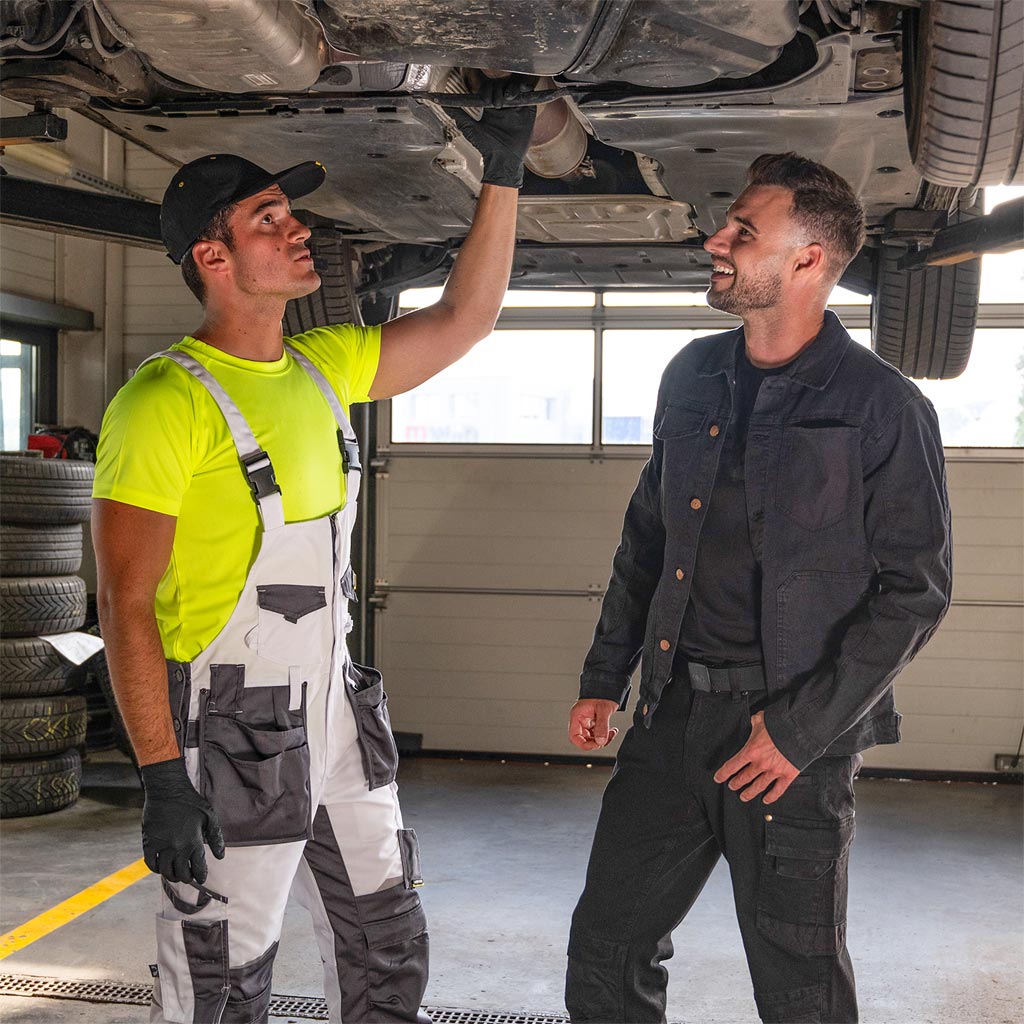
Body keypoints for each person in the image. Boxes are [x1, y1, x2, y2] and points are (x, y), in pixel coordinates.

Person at [92, 88, 536, 1024]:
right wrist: (162, 775)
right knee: (223, 969)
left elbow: (468, 317)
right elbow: (125, 604)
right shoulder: (163, 403)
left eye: (289, 213)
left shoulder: (324, 368)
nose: (299, 230)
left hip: (337, 709)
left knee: (385, 935)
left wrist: (502, 173)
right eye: (269, 219)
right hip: (232, 731)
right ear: (213, 258)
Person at [564, 152, 952, 1024]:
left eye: (743, 231)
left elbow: (915, 591)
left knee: (797, 983)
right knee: (606, 950)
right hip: (670, 715)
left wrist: (801, 733)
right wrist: (605, 675)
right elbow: (648, 538)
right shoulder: (693, 374)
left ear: (807, 259)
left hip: (787, 741)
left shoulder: (883, 407)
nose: (717, 240)